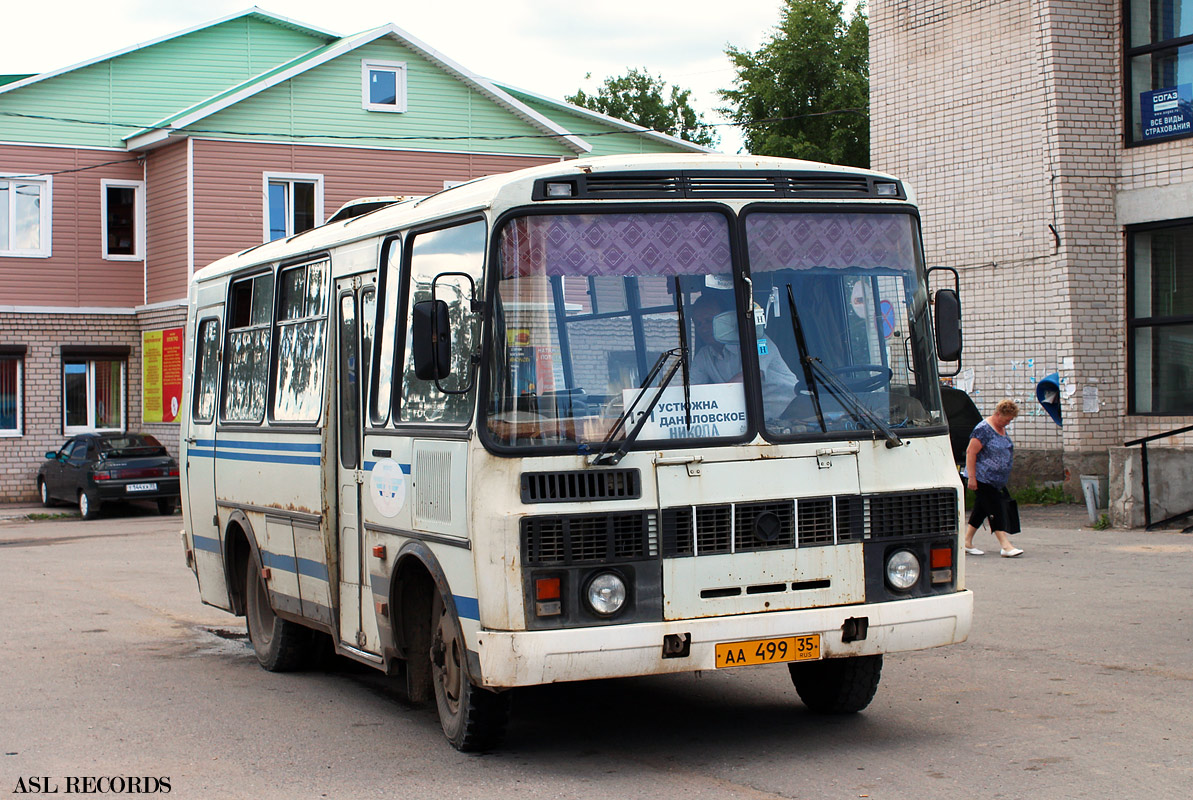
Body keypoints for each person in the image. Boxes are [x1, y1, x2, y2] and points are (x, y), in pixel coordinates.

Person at [688, 291, 798, 421]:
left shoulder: (758, 341)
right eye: (698, 324)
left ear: (726, 319)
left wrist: (715, 400)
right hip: (753, 422)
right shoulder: (704, 356)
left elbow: (750, 376)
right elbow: (692, 390)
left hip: (792, 413)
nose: (703, 328)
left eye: (708, 321)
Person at [964, 398, 1024, 558]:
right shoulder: (983, 429)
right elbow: (971, 452)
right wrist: (972, 477)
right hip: (983, 477)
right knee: (995, 509)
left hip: (996, 480)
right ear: (998, 414)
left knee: (981, 509)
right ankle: (1005, 545)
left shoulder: (1001, 428)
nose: (1008, 423)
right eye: (1006, 420)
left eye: (1010, 420)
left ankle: (966, 541)